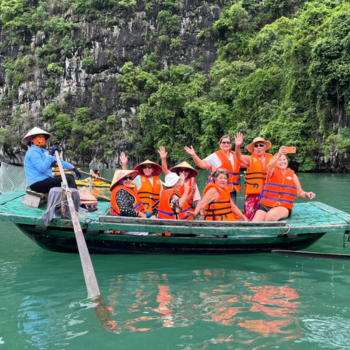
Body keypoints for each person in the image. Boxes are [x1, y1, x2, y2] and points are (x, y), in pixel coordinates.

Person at [253, 147, 316, 221]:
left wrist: (306, 194)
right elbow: (269, 167)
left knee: (270, 216)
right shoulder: (272, 171)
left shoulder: (293, 175)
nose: (282, 161)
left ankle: (269, 232)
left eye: (284, 159)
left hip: (284, 207)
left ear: (287, 161)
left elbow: (299, 193)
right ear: (275, 162)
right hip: (266, 205)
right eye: (280, 160)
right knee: (255, 222)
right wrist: (279, 154)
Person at [22, 127, 81, 193]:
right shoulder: (33, 152)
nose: (41, 139)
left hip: (46, 179)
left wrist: (73, 168)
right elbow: (42, 168)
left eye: (43, 137)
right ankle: (73, 198)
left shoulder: (43, 151)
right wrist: (50, 154)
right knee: (69, 179)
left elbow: (58, 161)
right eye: (39, 137)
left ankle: (74, 196)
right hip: (37, 183)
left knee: (70, 176)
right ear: (32, 140)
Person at [184, 135, 241, 203]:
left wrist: (238, 146)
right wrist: (194, 155)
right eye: (224, 142)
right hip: (217, 190)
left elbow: (247, 163)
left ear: (231, 144)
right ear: (220, 144)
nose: (226, 144)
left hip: (231, 191)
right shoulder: (214, 156)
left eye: (228, 142)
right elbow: (202, 164)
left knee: (230, 211)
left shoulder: (236, 156)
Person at [234, 133, 273, 221]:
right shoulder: (249, 159)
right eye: (256, 146)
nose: (258, 147)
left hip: (267, 193)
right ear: (253, 148)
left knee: (266, 217)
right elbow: (239, 156)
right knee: (250, 217)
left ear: (264, 147)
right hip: (252, 194)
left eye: (261, 145)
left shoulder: (271, 159)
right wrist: (237, 146)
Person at [158, 146, 202, 211]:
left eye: (186, 170)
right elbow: (165, 170)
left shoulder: (192, 182)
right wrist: (163, 159)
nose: (183, 172)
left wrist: (202, 213)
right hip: (176, 206)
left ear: (189, 172)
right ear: (178, 171)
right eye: (181, 170)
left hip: (187, 208)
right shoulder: (173, 179)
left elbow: (197, 200)